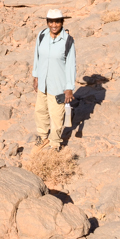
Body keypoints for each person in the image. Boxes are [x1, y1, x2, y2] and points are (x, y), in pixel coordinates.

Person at [31, 9, 75, 151]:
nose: (54, 25)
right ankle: (43, 137)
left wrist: (69, 87)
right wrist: (36, 76)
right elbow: (37, 56)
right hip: (43, 82)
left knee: (56, 116)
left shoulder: (68, 41)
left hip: (58, 86)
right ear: (47, 22)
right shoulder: (42, 35)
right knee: (40, 111)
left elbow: (71, 65)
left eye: (57, 21)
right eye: (51, 21)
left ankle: (55, 143)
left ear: (62, 22)